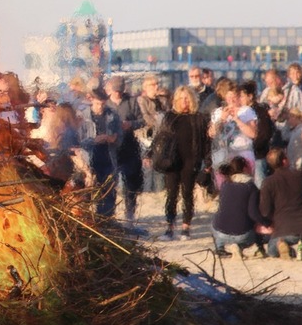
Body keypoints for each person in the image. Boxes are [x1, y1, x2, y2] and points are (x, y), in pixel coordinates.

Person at [147, 85, 210, 241]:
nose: (184, 102)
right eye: (181, 99)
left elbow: (207, 143)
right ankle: (170, 227)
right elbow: (159, 138)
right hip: (172, 160)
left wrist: (207, 164)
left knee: (187, 194)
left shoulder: (200, 118)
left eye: (187, 99)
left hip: (191, 160)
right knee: (171, 195)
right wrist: (149, 153)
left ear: (192, 100)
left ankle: (186, 228)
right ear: (175, 101)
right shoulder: (170, 117)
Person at [258, 148, 302, 259]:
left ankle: (286, 248)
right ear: (285, 161)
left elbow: (265, 211)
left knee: (272, 249)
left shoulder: (268, 182)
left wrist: (270, 222)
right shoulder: (300, 175)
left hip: (284, 228)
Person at [211, 156, 265, 258]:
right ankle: (242, 246)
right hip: (243, 234)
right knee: (256, 228)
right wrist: (266, 222)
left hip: (221, 232)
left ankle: (220, 248)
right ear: (244, 169)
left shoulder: (225, 184)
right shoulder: (251, 187)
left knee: (214, 221)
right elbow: (253, 213)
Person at [106, 77, 143, 222]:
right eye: (115, 91)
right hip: (111, 149)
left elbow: (141, 121)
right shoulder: (106, 104)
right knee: (110, 183)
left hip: (128, 146)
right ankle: (110, 215)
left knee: (130, 183)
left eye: (119, 91)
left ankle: (130, 215)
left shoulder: (131, 102)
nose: (117, 94)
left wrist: (130, 124)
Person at [208, 79, 256, 190]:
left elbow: (253, 134)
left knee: (244, 186)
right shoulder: (218, 112)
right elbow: (212, 133)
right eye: (229, 97)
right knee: (223, 189)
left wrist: (237, 119)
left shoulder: (247, 111)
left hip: (243, 153)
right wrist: (222, 119)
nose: (232, 100)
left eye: (234, 96)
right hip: (223, 154)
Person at [83, 88, 121, 218]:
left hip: (108, 157)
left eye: (103, 104)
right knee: (90, 191)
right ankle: (91, 219)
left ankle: (107, 218)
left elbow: (119, 136)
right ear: (91, 100)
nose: (101, 107)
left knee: (109, 190)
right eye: (98, 104)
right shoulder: (83, 117)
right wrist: (93, 140)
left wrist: (113, 138)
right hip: (90, 159)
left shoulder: (112, 115)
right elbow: (78, 142)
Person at [240, 80, 276, 186]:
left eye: (242, 96)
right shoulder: (243, 111)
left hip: (258, 156)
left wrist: (252, 147)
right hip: (247, 156)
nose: (240, 99)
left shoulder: (259, 111)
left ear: (250, 96)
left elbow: (265, 134)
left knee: (259, 186)